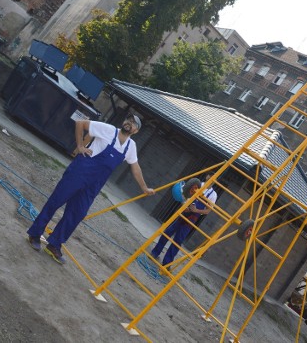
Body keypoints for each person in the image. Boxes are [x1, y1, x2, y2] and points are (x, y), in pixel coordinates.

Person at [27, 115, 155, 264]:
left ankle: (54, 244)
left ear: (136, 130)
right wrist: (80, 146)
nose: (129, 123)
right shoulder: (108, 130)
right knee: (56, 201)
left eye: (133, 123)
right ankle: (35, 234)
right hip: (80, 172)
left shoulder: (130, 146)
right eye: (128, 120)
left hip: (94, 184)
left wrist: (144, 188)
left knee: (76, 214)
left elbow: (135, 168)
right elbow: (81, 124)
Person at [151, 175, 217, 270]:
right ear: (207, 177)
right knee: (167, 232)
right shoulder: (197, 184)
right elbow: (184, 196)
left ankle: (166, 263)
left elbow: (208, 211)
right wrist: (184, 205)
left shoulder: (213, 195)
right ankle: (155, 252)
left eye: (214, 178)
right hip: (183, 212)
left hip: (192, 218)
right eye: (210, 177)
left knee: (178, 240)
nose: (211, 179)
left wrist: (196, 210)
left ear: (216, 180)